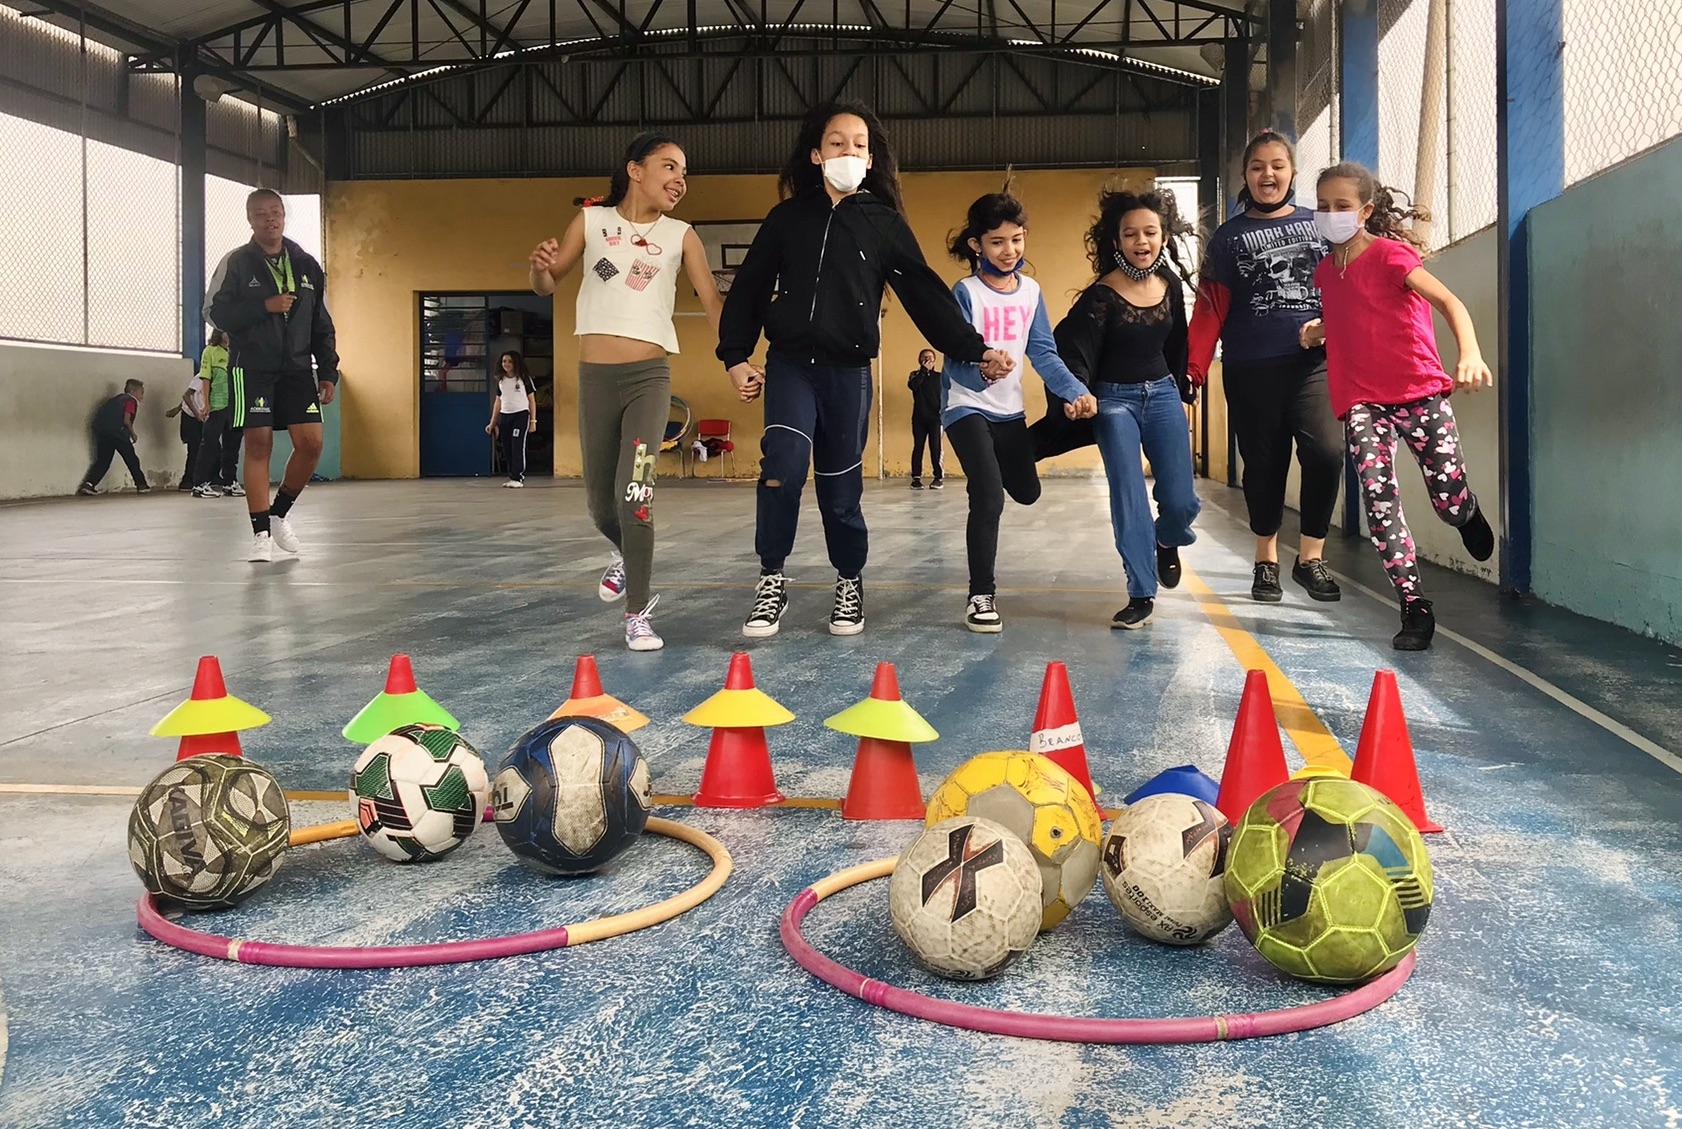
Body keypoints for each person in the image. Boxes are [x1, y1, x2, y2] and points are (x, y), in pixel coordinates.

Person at [717, 101, 1015, 639]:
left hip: (847, 371)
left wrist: (974, 348)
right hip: (789, 366)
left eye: (858, 144)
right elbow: (749, 288)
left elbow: (924, 294)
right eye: (836, 143)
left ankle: (849, 580)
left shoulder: (883, 224)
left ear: (870, 157)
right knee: (781, 462)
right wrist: (736, 357)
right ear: (815, 154)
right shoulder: (788, 219)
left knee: (839, 486)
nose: (847, 151)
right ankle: (771, 578)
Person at [529, 130, 726, 652]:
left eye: (684, 172)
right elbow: (550, 282)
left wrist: (740, 355)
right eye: (668, 166)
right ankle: (625, 556)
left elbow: (711, 301)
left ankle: (637, 611)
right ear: (635, 169)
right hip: (595, 380)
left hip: (648, 380)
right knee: (600, 504)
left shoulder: (681, 235)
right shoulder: (592, 222)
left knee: (635, 497)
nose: (679, 179)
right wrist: (539, 268)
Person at [1307, 162, 1495, 651]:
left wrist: (1469, 353)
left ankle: (1465, 511)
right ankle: (1414, 605)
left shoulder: (1393, 257)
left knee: (1446, 497)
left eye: (1342, 206)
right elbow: (1353, 316)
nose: (1331, 215)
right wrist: (1320, 330)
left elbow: (1450, 303)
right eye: (1323, 206)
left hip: (1420, 394)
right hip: (1363, 402)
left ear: (1366, 211)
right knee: (1379, 501)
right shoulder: (1326, 272)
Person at [1033, 187, 1200, 630]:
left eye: (1150, 232)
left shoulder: (1171, 285)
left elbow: (1177, 343)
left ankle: (1167, 540)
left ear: (1163, 236)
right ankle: (1140, 592)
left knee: (1182, 502)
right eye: (1131, 234)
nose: (1141, 241)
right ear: (1117, 240)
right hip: (1113, 403)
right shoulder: (1100, 297)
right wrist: (1075, 394)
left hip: (1163, 394)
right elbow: (1072, 351)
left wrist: (1184, 385)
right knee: (1129, 496)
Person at [1188, 130, 1343, 604]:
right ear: (1245, 176)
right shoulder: (1227, 238)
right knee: (1264, 467)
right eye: (1258, 167)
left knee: (1327, 452)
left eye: (1277, 165)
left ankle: (1311, 557)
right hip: (1251, 367)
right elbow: (1211, 307)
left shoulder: (1323, 225)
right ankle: (1266, 559)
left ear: (1292, 172)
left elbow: (1352, 283)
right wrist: (1193, 370)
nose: (1268, 174)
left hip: (1312, 363)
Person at [942, 189, 1097, 633]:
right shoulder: (966, 291)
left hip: (1008, 413)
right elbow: (955, 356)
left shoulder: (1030, 291)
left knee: (1026, 492)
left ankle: (1016, 454)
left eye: (1017, 239)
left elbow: (1044, 351)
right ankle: (981, 595)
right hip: (965, 404)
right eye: (997, 242)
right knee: (988, 494)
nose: (1009, 251)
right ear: (976, 244)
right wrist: (983, 373)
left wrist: (1073, 391)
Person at [207, 189, 337, 562]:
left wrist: (327, 369)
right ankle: (260, 532)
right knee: (259, 444)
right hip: (253, 368)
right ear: (250, 219)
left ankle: (278, 513)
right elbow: (217, 313)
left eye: (276, 212)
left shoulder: (307, 264)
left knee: (311, 444)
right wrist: (263, 306)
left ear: (284, 215)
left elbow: (321, 324)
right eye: (261, 214)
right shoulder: (237, 262)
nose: (270, 219)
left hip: (297, 369)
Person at [191, 329, 244, 498]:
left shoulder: (237, 352)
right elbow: (206, 378)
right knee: (210, 444)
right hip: (217, 405)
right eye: (226, 332)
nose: (229, 336)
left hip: (235, 406)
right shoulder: (211, 351)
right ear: (219, 333)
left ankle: (230, 482)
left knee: (232, 445)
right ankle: (200, 484)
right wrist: (206, 404)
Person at [78, 380, 150, 495]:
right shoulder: (130, 401)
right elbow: (126, 420)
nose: (142, 396)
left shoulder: (115, 400)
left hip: (101, 431)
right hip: (118, 433)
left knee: (103, 460)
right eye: (141, 392)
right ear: (133, 391)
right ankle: (141, 485)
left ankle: (89, 484)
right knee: (131, 459)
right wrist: (133, 434)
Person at [486, 350, 537, 488]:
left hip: (520, 415)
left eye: (509, 361)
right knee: (507, 447)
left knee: (517, 445)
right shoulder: (501, 380)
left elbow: (531, 400)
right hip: (505, 416)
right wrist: (493, 422)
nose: (506, 364)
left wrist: (533, 421)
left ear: (516, 363)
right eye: (504, 361)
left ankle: (518, 477)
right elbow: (498, 402)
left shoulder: (524, 378)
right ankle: (512, 476)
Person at [907, 348, 945, 490]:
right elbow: (913, 386)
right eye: (924, 358)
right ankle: (916, 478)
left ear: (935, 360)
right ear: (920, 360)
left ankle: (938, 477)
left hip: (936, 419)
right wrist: (923, 372)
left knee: (936, 448)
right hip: (919, 418)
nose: (927, 360)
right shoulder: (915, 375)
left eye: (930, 357)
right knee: (918, 447)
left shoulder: (940, 377)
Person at [167, 375, 207, 491]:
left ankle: (208, 477)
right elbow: (186, 395)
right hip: (191, 416)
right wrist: (196, 414)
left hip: (199, 416)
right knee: (194, 449)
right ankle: (187, 481)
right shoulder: (201, 377)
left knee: (207, 447)